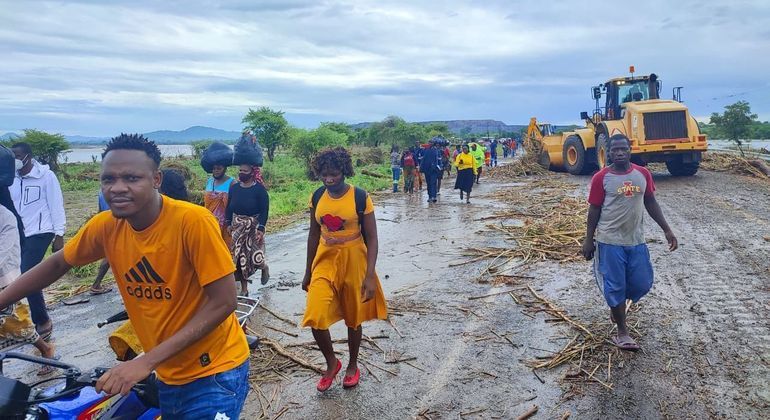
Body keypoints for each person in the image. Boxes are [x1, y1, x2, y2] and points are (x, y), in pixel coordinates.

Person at [0, 134, 250, 418]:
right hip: (168, 372)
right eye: (108, 179)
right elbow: (58, 264)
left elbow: (224, 302)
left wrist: (145, 362)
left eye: (131, 178)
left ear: (156, 179)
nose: (117, 188)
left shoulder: (192, 223)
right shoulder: (106, 226)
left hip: (215, 372)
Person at [302, 147, 388, 392]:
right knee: (315, 315)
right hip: (325, 260)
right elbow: (313, 234)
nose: (329, 179)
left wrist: (370, 275)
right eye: (324, 174)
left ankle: (352, 364)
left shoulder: (360, 197)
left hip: (354, 261)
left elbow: (372, 238)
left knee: (353, 317)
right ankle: (332, 363)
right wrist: (308, 271)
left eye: (334, 174)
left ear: (344, 171)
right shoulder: (317, 196)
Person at [582, 134, 678, 351]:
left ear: (630, 150)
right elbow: (594, 209)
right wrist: (589, 239)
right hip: (609, 241)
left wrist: (667, 229)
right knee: (615, 286)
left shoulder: (642, 174)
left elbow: (650, 201)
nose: (619, 153)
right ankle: (623, 332)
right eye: (614, 149)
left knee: (642, 283)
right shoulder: (601, 177)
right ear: (609, 152)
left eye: (623, 149)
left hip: (636, 241)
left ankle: (617, 307)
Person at [0, 145, 57, 376]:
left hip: (6, 276)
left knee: (17, 323)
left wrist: (59, 233)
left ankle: (46, 346)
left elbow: (7, 256)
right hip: (25, 238)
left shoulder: (5, 217)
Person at [10, 142, 66, 340]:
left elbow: (56, 204)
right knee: (16, 275)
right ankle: (23, 319)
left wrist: (59, 234)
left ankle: (42, 320)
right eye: (12, 156)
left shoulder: (46, 176)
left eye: (18, 156)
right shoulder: (12, 179)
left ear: (28, 157)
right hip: (21, 233)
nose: (15, 160)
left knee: (27, 273)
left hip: (42, 231)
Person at [226, 164, 270, 296]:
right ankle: (244, 290)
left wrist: (261, 228)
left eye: (245, 171)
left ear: (252, 173)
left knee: (255, 257)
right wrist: (228, 223)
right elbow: (229, 207)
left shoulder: (260, 190)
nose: (241, 173)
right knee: (239, 258)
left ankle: (264, 267)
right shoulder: (234, 189)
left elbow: (264, 210)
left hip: (253, 226)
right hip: (238, 226)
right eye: (240, 170)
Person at [201, 142, 236, 247]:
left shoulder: (232, 183)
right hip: (209, 224)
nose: (216, 171)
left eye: (219, 168)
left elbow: (234, 206)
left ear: (225, 168)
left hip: (226, 226)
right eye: (214, 168)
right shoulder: (209, 181)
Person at [89, 191, 112, 295]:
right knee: (110, 256)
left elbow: (100, 211)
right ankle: (96, 284)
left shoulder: (102, 192)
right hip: (116, 224)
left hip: (106, 223)